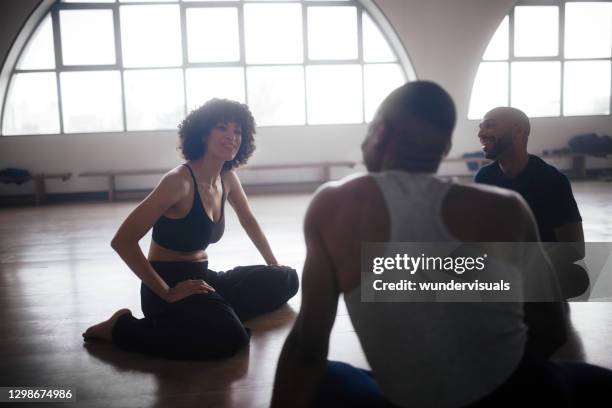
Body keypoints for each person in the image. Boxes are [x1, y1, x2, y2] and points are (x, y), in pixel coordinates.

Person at [271, 82, 612, 407]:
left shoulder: (333, 206)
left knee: (328, 376)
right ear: (444, 149)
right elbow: (551, 329)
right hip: (519, 393)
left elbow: (306, 349)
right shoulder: (505, 206)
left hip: (408, 401)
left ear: (379, 133)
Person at [83, 99, 299, 360]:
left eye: (237, 131)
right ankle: (120, 328)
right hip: (168, 284)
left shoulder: (227, 178)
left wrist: (272, 263)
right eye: (222, 128)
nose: (232, 137)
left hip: (203, 279)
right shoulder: (178, 182)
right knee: (231, 337)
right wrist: (166, 292)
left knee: (286, 278)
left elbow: (249, 221)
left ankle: (213, 311)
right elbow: (123, 240)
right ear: (203, 134)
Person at [475, 107, 589, 299]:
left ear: (517, 131)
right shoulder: (484, 178)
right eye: (480, 127)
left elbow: (575, 248)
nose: (480, 133)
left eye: (490, 126)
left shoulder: (551, 180)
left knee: (576, 277)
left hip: (537, 269)